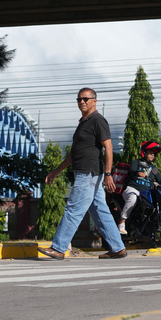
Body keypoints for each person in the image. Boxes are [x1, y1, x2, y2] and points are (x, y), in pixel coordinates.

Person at [39, 87, 127, 260]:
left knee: (73, 209)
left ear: (94, 101)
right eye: (79, 99)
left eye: (86, 99)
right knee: (100, 211)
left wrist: (108, 173)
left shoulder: (98, 120)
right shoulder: (83, 123)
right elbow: (75, 153)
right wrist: (56, 171)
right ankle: (118, 248)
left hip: (89, 173)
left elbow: (108, 147)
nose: (82, 102)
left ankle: (58, 247)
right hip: (85, 172)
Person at [118, 140, 161, 235]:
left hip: (145, 193)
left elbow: (160, 180)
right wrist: (138, 173)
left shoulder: (154, 168)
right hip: (132, 189)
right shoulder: (136, 162)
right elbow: (132, 171)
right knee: (132, 199)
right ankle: (122, 222)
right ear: (144, 153)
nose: (152, 156)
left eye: (154, 154)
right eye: (150, 153)